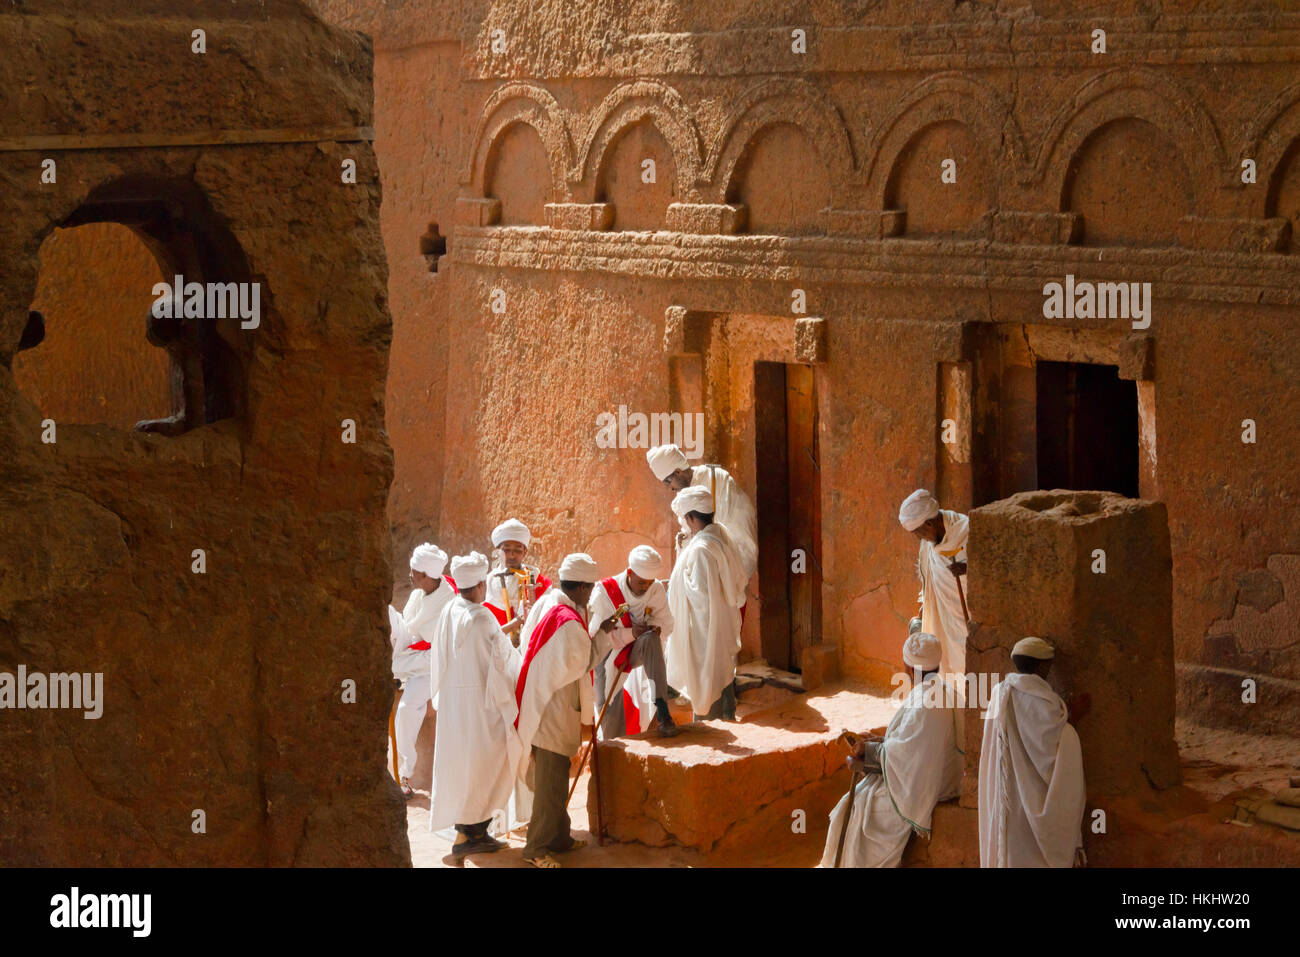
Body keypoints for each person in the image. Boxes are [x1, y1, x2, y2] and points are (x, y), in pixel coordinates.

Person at [820, 632, 962, 867]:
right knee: (848, 807)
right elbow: (910, 745)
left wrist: (871, 752)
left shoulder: (926, 703)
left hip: (914, 789)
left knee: (854, 811)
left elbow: (908, 757)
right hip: (917, 778)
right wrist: (879, 741)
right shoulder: (940, 691)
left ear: (908, 668)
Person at [514, 554, 617, 868]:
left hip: (546, 705)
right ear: (583, 587)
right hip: (552, 711)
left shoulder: (549, 603)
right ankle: (536, 847)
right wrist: (604, 636)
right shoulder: (569, 624)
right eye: (591, 588)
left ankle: (559, 837)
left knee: (556, 781)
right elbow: (582, 663)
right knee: (550, 784)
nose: (591, 594)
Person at [427, 551, 523, 860]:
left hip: (456, 708)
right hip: (482, 708)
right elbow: (502, 661)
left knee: (464, 769)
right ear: (481, 584)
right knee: (489, 764)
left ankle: (469, 832)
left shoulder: (450, 609)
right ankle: (472, 834)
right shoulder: (481, 617)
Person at [978, 636, 1087, 868]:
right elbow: (1054, 746)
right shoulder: (1043, 701)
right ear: (1042, 666)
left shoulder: (999, 693)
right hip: (1028, 797)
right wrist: (1075, 716)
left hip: (1006, 798)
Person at [665, 486, 748, 721]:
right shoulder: (720, 535)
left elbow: (700, 596)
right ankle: (725, 718)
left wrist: (682, 562)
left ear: (692, 517)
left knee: (706, 679)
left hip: (705, 629)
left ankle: (709, 730)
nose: (683, 523)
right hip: (721, 621)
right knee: (721, 673)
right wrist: (685, 548)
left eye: (684, 518)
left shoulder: (701, 550)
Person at [588, 545, 678, 739]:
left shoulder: (655, 590)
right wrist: (631, 633)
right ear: (629, 573)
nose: (645, 587)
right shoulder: (605, 591)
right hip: (608, 656)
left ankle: (663, 710)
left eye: (649, 582)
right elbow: (598, 637)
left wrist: (655, 626)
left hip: (639, 648)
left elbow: (666, 622)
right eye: (641, 583)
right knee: (612, 721)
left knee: (652, 639)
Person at [392, 543, 456, 799]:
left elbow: (442, 646)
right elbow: (410, 627)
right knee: (406, 710)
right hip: (418, 659)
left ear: (426, 576)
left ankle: (406, 774)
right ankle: (401, 775)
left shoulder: (449, 600)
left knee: (396, 672)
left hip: (438, 662)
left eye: (414, 571)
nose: (410, 575)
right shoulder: (419, 593)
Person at [646, 444, 758, 587]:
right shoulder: (683, 495)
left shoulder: (716, 478)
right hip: (706, 563)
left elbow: (730, 525)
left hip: (731, 558)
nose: (669, 488)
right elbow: (696, 530)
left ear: (678, 472)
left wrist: (702, 539)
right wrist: (686, 540)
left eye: (668, 481)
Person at [898, 489, 969, 678]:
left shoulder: (967, 531)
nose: (919, 539)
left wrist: (968, 570)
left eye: (918, 533)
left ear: (929, 523)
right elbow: (927, 576)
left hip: (965, 619)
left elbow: (988, 570)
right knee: (944, 662)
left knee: (967, 661)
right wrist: (924, 603)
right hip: (940, 619)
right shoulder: (928, 544)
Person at [484, 518, 551, 641]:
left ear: (525, 552)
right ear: (498, 551)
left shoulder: (538, 582)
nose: (511, 555)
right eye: (506, 550)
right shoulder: (486, 584)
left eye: (517, 550)